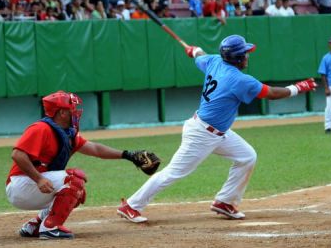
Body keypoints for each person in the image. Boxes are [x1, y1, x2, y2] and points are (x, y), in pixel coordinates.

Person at [117, 35, 317, 223]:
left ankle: (225, 201)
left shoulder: (214, 61)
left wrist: (194, 50)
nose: (247, 56)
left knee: (247, 156)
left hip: (218, 132)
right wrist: (298, 87)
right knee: (173, 172)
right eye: (245, 53)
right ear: (237, 58)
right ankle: (131, 205)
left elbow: (199, 55)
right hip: (202, 134)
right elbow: (272, 93)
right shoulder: (239, 80)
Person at [6, 91, 159, 239]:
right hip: (21, 185)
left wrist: (128, 155)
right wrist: (39, 179)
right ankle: (51, 228)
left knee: (78, 193)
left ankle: (35, 225)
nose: (75, 112)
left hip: (31, 185)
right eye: (71, 108)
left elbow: (95, 149)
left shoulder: (67, 133)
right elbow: (17, 155)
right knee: (74, 179)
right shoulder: (41, 128)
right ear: (61, 113)